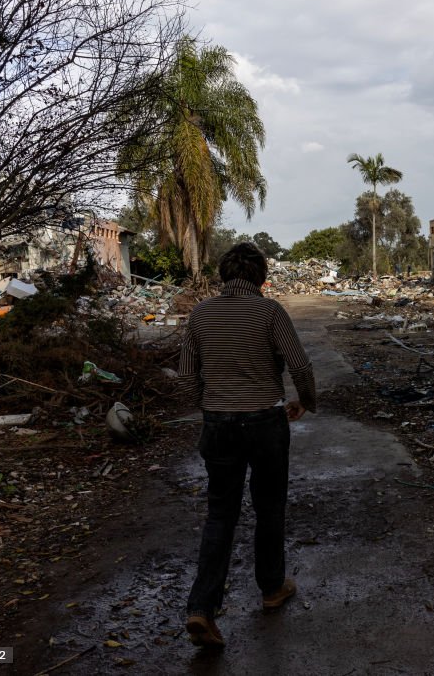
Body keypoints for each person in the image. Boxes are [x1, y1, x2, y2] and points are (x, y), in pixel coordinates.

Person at [177, 242, 317, 647]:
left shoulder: (200, 314)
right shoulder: (270, 311)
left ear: (224, 274)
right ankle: (272, 588)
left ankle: (201, 608)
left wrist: (209, 405)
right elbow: (300, 365)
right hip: (265, 422)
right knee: (269, 507)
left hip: (218, 424)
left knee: (220, 514)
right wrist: (305, 401)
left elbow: (186, 376)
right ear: (260, 275)